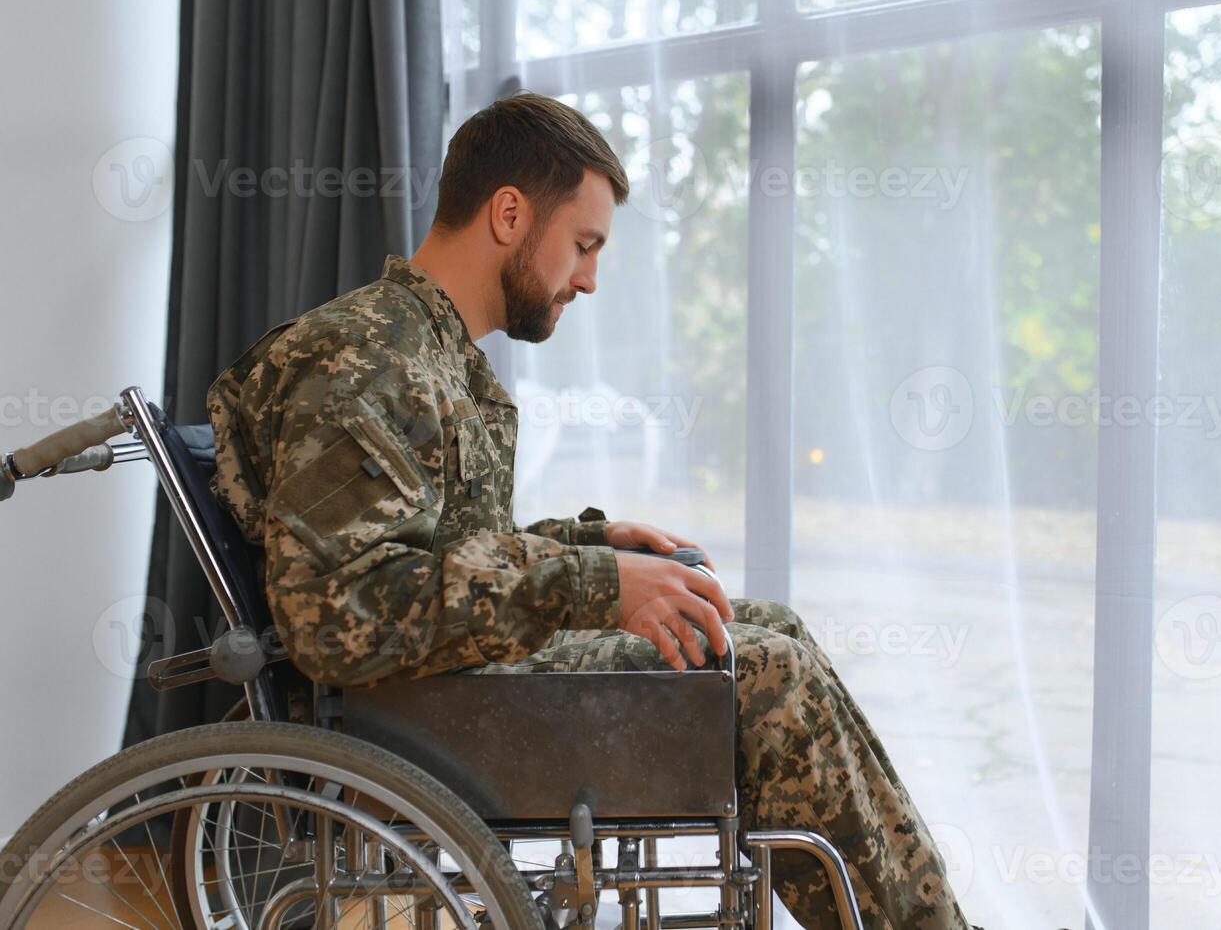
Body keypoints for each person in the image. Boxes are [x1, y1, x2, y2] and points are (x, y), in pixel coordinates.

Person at [207, 91, 975, 930]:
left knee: (765, 626)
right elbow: (341, 613)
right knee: (766, 675)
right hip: (420, 710)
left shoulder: (424, 350)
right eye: (582, 244)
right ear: (509, 214)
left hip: (452, 680)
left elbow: (437, 552)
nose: (589, 279)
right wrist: (594, 583)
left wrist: (587, 542)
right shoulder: (358, 355)